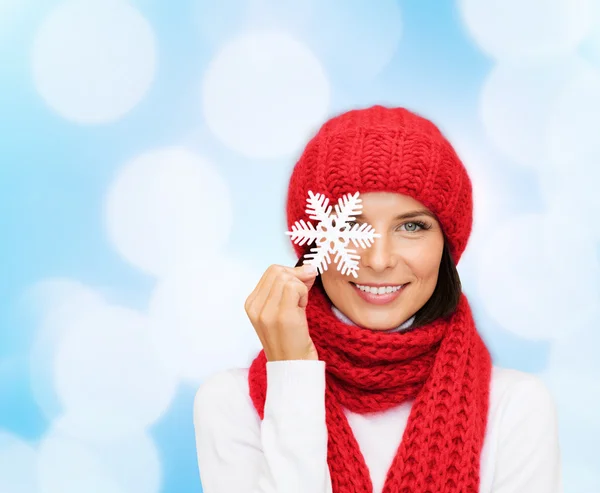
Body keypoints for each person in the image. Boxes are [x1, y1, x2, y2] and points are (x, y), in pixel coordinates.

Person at [193, 106, 562, 493]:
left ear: (446, 246)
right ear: (312, 241)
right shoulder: (231, 402)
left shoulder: (515, 408)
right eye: (351, 225)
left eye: (412, 226)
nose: (379, 259)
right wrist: (292, 374)